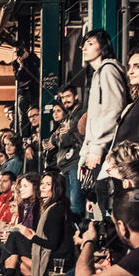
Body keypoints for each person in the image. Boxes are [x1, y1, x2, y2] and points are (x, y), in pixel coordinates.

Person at [78, 29, 128, 215]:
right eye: (84, 44)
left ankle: (112, 232)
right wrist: (86, 151)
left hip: (109, 150)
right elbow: (94, 119)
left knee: (109, 204)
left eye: (90, 43)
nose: (84, 48)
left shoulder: (108, 70)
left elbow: (113, 110)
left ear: (104, 46)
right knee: (99, 205)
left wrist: (97, 147)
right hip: (101, 150)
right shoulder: (98, 73)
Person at [12, 172, 74, 276]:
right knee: (14, 240)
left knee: (14, 239)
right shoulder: (54, 206)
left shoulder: (56, 210)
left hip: (58, 260)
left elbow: (52, 244)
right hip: (55, 256)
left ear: (56, 188)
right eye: (42, 184)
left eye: (48, 184)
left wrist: (32, 237)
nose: (42, 187)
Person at [0, 173, 41, 276]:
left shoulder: (39, 206)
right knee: (8, 238)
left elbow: (34, 232)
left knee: (12, 237)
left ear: (35, 187)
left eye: (25, 186)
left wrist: (15, 235)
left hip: (38, 245)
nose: (21, 189)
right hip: (27, 243)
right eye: (21, 186)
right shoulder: (25, 205)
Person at [53, 86, 85, 216]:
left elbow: (67, 140)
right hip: (65, 164)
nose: (65, 100)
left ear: (76, 96)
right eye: (62, 97)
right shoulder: (68, 117)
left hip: (75, 162)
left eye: (68, 96)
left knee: (75, 204)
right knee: (68, 204)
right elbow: (58, 140)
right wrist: (62, 136)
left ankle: (80, 227)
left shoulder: (81, 113)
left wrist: (67, 134)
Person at [13, 46, 40, 139]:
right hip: (23, 91)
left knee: (36, 112)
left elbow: (40, 65)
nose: (17, 54)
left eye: (18, 51)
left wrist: (29, 57)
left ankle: (36, 133)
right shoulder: (15, 63)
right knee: (22, 116)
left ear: (24, 50)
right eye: (15, 52)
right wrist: (21, 66)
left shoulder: (32, 57)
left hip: (34, 90)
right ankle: (24, 137)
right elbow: (17, 77)